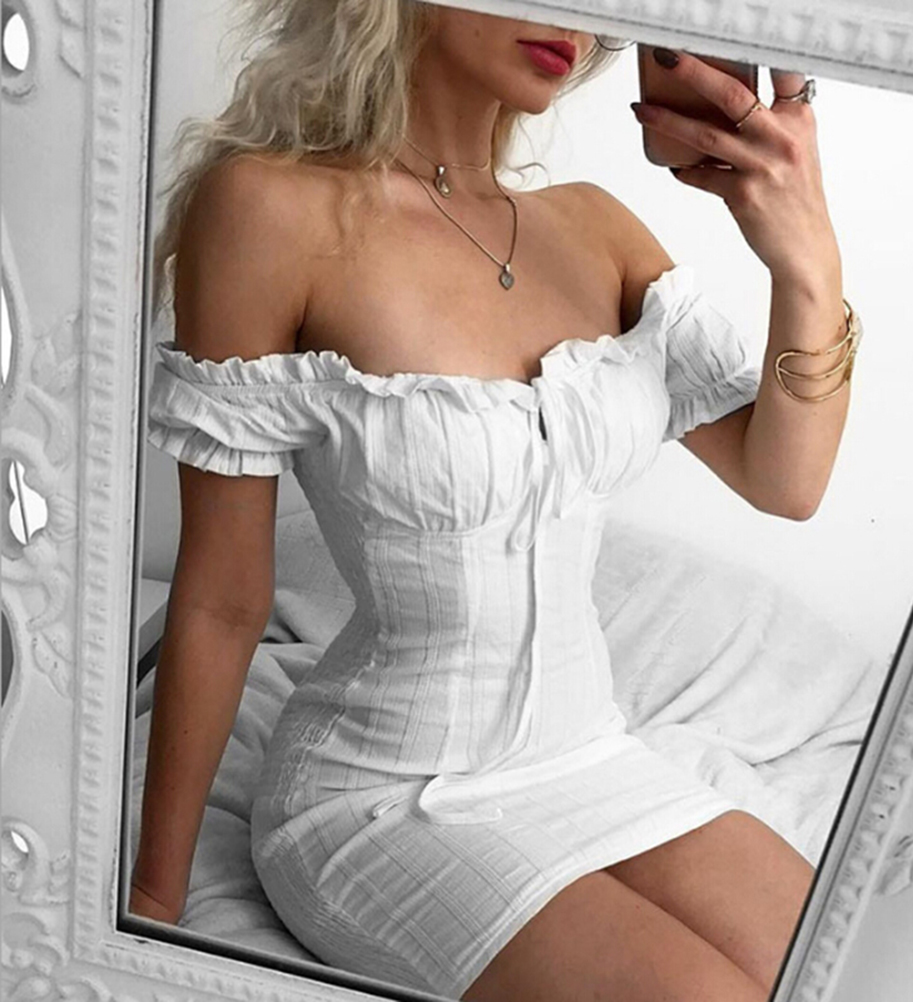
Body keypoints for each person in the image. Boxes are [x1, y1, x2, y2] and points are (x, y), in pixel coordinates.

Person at [131, 2, 857, 1000]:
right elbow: (220, 600)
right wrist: (153, 901)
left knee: (844, 968)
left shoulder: (596, 228)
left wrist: (806, 255)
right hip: (385, 794)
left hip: (595, 759)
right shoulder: (269, 211)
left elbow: (787, 481)